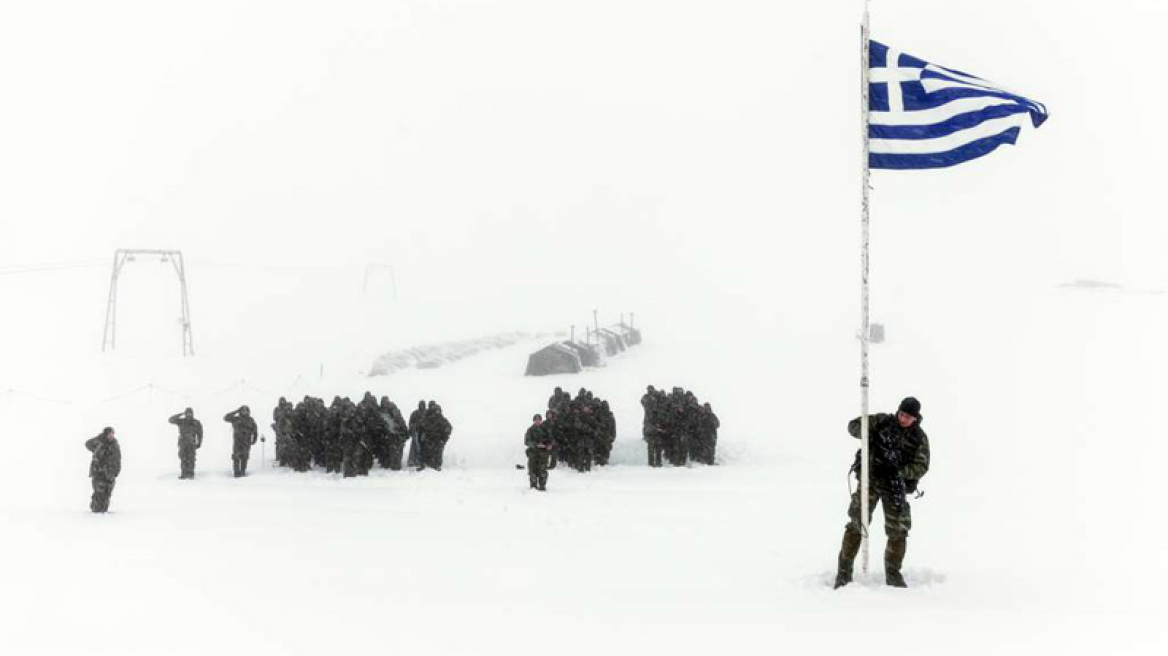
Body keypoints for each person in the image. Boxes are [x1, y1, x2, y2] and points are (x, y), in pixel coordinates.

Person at [834, 397, 930, 589]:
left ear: (916, 418)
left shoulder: (919, 438)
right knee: (856, 524)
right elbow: (853, 426)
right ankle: (843, 574)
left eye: (908, 417)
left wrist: (898, 471)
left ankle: (893, 574)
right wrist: (870, 435)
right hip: (870, 480)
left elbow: (922, 466)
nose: (903, 419)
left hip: (895, 485)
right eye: (902, 414)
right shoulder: (882, 422)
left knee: (899, 530)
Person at [85, 427, 121, 513]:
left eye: (113, 434)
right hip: (98, 472)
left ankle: (104, 511)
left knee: (107, 493)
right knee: (98, 492)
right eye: (110, 434)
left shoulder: (115, 445)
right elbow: (88, 444)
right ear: (105, 434)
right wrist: (99, 441)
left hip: (110, 473)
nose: (111, 436)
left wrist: (116, 472)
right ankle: (95, 511)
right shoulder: (99, 442)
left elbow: (118, 459)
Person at [223, 405, 259, 477]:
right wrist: (236, 411)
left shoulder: (251, 420)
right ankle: (236, 472)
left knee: (245, 457)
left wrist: (254, 439)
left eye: (246, 411)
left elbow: (255, 431)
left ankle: (243, 471)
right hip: (237, 441)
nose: (244, 412)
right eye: (242, 411)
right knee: (236, 457)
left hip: (246, 441)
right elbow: (226, 417)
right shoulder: (236, 419)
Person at [169, 408, 204, 479]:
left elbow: (200, 433)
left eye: (190, 413)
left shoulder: (196, 422)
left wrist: (199, 442)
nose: (189, 415)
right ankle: (184, 473)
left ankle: (190, 473)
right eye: (187, 413)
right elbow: (171, 420)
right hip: (182, 442)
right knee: (183, 458)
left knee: (191, 458)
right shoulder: (181, 421)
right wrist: (180, 414)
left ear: (193, 414)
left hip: (191, 443)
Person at [524, 414, 554, 491]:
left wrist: (548, 445)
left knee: (542, 470)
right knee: (532, 470)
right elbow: (527, 441)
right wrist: (536, 445)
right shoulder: (530, 430)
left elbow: (551, 440)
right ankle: (533, 486)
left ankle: (542, 486)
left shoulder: (546, 429)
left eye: (539, 420)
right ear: (533, 421)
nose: (537, 421)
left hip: (543, 454)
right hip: (533, 453)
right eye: (536, 420)